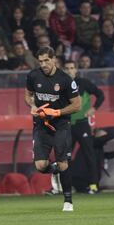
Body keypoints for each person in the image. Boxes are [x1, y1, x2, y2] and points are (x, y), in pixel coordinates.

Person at [25, 46, 81, 211]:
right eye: (40, 61)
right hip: (41, 126)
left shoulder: (65, 80)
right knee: (41, 166)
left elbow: (76, 106)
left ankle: (68, 201)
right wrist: (33, 106)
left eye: (46, 60)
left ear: (54, 59)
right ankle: (54, 168)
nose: (43, 64)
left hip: (61, 125)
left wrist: (57, 112)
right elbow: (27, 94)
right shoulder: (33, 76)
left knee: (63, 163)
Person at [64, 60, 104, 194]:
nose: (69, 70)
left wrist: (94, 108)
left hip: (82, 124)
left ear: (76, 70)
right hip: (68, 125)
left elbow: (100, 95)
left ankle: (93, 185)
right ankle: (65, 186)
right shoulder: (61, 85)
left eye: (72, 68)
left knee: (89, 154)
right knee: (64, 156)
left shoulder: (84, 83)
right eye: (67, 68)